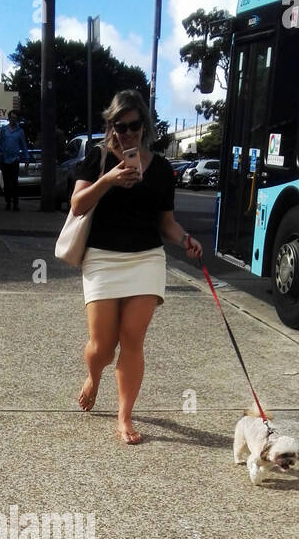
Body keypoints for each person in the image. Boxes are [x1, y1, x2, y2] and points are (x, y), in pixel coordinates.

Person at [71, 89, 203, 443]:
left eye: (133, 126)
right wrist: (108, 180)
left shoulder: (160, 169)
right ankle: (93, 376)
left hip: (146, 258)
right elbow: (77, 205)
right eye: (119, 126)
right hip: (101, 257)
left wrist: (185, 238)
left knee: (132, 339)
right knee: (102, 345)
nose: (126, 133)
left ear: (145, 126)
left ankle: (124, 416)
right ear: (111, 126)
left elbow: (167, 223)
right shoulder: (97, 158)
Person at [0, 110, 29, 211]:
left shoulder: (20, 131)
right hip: (5, 159)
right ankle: (8, 202)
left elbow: (23, 145)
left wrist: (26, 158)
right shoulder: (3, 130)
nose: (13, 120)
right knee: (6, 182)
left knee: (14, 182)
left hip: (15, 159)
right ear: (9, 118)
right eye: (12, 118)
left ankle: (15, 203)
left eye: (15, 118)